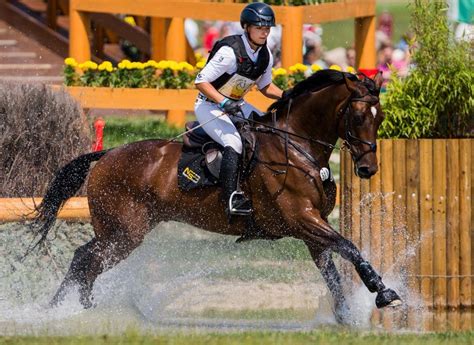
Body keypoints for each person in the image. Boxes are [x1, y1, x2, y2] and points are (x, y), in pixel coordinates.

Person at [194, 2, 286, 218]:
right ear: (247, 27)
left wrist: (287, 95)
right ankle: (230, 198)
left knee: (266, 131)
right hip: (209, 105)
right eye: (259, 27)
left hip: (237, 105)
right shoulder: (229, 51)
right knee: (233, 142)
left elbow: (265, 87)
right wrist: (223, 102)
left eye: (267, 28)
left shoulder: (265, 55)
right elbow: (200, 81)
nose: (264, 32)